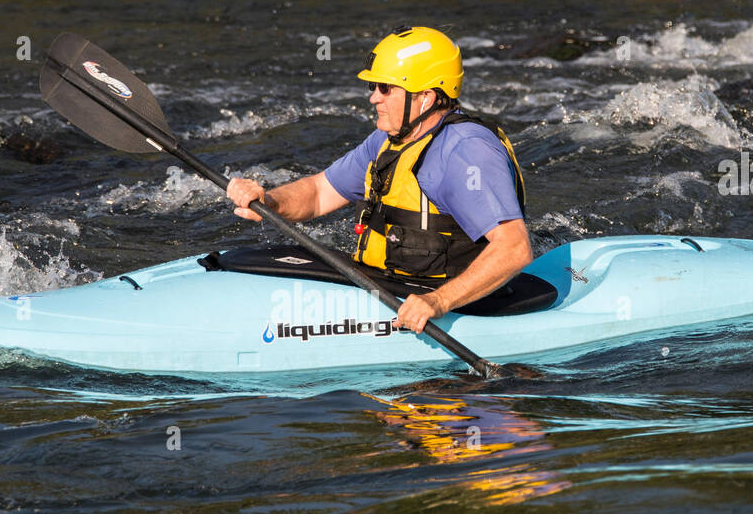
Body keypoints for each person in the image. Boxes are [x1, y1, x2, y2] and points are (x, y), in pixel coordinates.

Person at [226, 25, 532, 334]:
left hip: (456, 303)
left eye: (385, 88)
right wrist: (269, 201)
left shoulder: (466, 152)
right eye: (373, 87)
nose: (374, 98)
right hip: (394, 281)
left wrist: (437, 302)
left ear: (425, 97)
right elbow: (320, 192)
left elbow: (514, 248)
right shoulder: (388, 141)